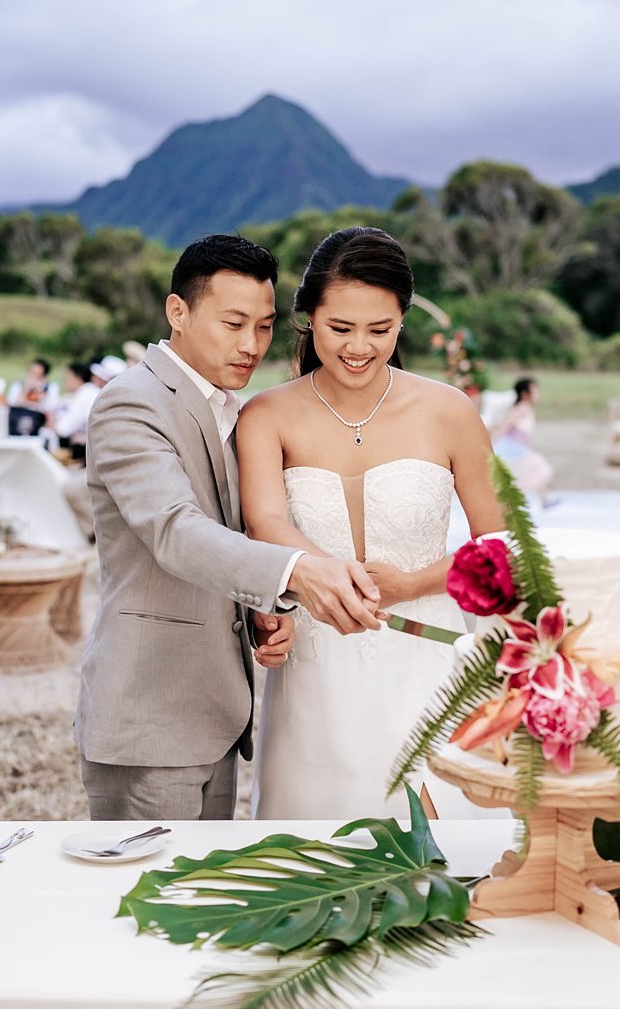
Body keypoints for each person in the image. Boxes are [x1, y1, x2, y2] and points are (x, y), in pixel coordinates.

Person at [76, 234, 383, 823]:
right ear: (178, 312)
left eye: (265, 327)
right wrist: (296, 572)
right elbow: (175, 531)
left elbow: (228, 541)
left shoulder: (233, 409)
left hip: (216, 713)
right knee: (148, 906)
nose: (251, 346)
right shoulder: (131, 404)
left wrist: (265, 609)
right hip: (150, 715)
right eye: (233, 323)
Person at [237, 226, 508, 821]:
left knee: (449, 859)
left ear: (403, 322)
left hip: (431, 659)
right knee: (318, 855)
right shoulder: (265, 415)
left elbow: (501, 545)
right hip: (315, 662)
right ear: (309, 318)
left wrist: (413, 584)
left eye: (380, 330)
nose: (359, 346)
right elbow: (263, 521)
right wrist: (327, 578)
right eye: (341, 328)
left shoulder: (449, 412)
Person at [491, 376, 554, 506]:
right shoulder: (522, 408)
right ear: (525, 394)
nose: (537, 394)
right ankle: (541, 501)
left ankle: (543, 500)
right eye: (534, 391)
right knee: (536, 469)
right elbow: (505, 425)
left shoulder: (524, 408)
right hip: (511, 448)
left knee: (533, 470)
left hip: (518, 448)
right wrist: (492, 441)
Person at [53, 361, 99, 461]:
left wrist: (52, 424)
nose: (65, 382)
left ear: (78, 379)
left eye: (67, 378)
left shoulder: (85, 394)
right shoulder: (90, 390)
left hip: (90, 449)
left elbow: (63, 428)